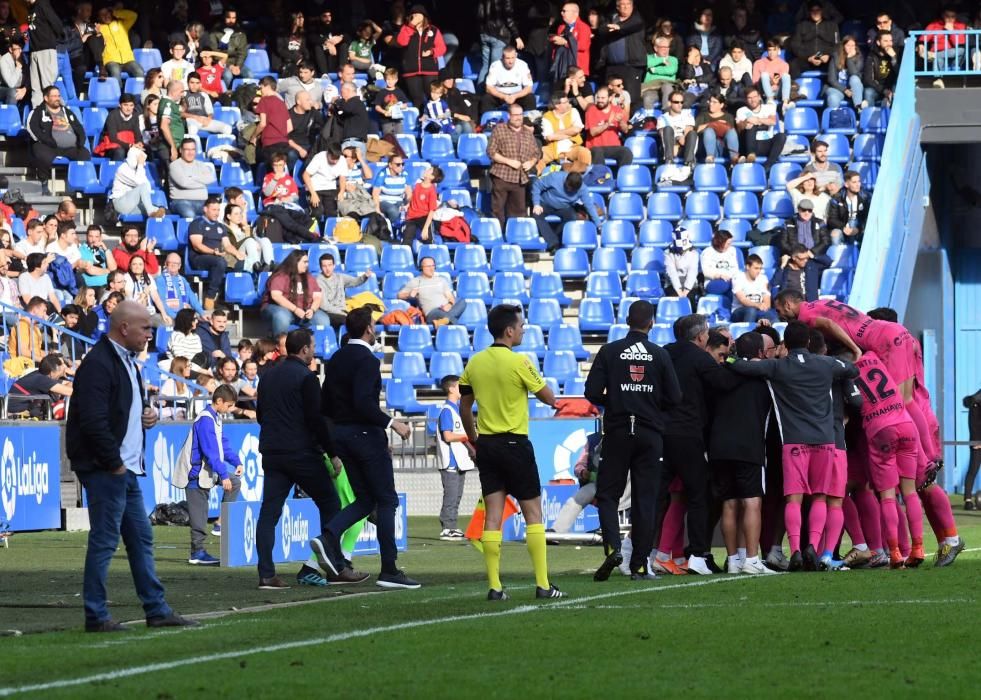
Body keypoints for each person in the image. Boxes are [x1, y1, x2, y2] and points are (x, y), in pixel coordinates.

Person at [66, 300, 198, 631]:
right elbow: (93, 421)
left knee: (140, 538)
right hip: (108, 469)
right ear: (124, 328)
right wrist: (113, 463)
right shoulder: (99, 364)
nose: (150, 335)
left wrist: (147, 417)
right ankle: (96, 615)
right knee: (105, 540)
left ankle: (156, 609)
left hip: (123, 470)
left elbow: (119, 412)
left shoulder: (126, 363)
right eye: (145, 328)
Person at [729, 320, 857, 571]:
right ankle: (813, 545)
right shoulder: (826, 364)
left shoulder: (777, 366)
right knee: (820, 497)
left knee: (793, 500)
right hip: (824, 440)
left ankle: (796, 549)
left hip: (794, 442)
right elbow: (852, 370)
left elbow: (740, 367)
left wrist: (736, 360)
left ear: (785, 344)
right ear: (809, 342)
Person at [455, 304, 562, 599]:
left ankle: (494, 586)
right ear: (509, 330)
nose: (524, 330)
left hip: (487, 445)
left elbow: (464, 406)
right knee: (533, 514)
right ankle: (542, 584)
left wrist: (474, 438)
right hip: (515, 443)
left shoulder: (475, 362)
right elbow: (550, 398)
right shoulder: (520, 362)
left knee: (493, 516)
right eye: (521, 326)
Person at [315, 308, 417, 589]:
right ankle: (389, 569)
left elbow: (324, 407)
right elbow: (363, 402)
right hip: (364, 435)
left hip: (341, 436)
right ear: (369, 330)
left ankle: (329, 536)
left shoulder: (335, 360)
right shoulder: (368, 361)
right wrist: (392, 423)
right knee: (386, 500)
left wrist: (332, 442)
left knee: (363, 500)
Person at [255, 328, 364, 589]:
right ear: (304, 349)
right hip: (301, 453)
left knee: (269, 514)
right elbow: (316, 420)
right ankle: (336, 567)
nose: (314, 350)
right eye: (312, 346)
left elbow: (261, 414)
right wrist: (332, 453)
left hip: (272, 452)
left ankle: (266, 575)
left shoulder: (267, 376)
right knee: (330, 504)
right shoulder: (306, 377)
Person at [585, 299, 681, 580]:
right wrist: (650, 405)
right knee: (646, 499)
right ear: (651, 323)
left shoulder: (610, 351)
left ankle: (614, 547)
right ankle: (639, 564)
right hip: (650, 434)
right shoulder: (659, 354)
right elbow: (675, 398)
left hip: (617, 432)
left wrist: (614, 400)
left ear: (627, 320)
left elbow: (591, 391)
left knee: (608, 494)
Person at [660, 314, 742, 574]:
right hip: (688, 434)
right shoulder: (699, 358)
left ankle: (643, 554)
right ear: (700, 337)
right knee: (698, 494)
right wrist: (733, 359)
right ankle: (696, 554)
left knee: (657, 497)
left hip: (660, 433)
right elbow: (725, 383)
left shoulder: (662, 353)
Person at [709, 331, 777, 575]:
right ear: (760, 353)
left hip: (718, 446)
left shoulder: (718, 374)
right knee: (751, 502)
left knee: (729, 503)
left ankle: (733, 561)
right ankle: (751, 559)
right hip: (748, 446)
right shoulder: (764, 377)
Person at [186, 384, 242, 566]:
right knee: (199, 514)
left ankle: (220, 522)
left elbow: (222, 446)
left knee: (234, 482)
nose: (230, 409)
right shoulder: (206, 420)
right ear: (219, 401)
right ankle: (197, 552)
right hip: (196, 472)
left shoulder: (216, 418)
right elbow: (211, 452)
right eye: (229, 405)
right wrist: (224, 475)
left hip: (207, 470)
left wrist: (236, 461)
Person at [486, 104, 541, 228]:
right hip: (501, 176)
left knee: (518, 213)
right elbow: (491, 152)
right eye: (515, 115)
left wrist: (531, 162)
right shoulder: (499, 129)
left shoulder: (528, 133)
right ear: (509, 116)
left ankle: (515, 239)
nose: (518, 118)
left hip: (520, 179)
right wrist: (508, 161)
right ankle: (498, 238)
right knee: (497, 211)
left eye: (520, 114)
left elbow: (537, 153)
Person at [435, 374, 475, 540]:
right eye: (459, 386)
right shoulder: (447, 410)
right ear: (451, 388)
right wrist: (467, 437)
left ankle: (452, 526)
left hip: (459, 461)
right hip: (450, 461)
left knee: (456, 495)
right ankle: (447, 528)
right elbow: (449, 436)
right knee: (451, 496)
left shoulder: (455, 410)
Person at [530, 170, 603, 253]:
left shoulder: (583, 189)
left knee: (573, 218)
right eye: (567, 187)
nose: (569, 190)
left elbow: (590, 206)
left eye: (572, 190)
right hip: (545, 203)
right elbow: (537, 185)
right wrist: (536, 204)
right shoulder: (555, 177)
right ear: (565, 180)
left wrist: (599, 225)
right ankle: (553, 244)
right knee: (537, 215)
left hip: (564, 207)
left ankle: (555, 238)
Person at [260, 249, 330, 335]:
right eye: (304, 262)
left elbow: (317, 297)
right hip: (279, 308)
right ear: (295, 262)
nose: (307, 265)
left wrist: (312, 310)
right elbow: (276, 296)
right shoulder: (281, 276)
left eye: (307, 262)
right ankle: (281, 345)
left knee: (323, 320)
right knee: (282, 316)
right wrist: (295, 309)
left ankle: (313, 345)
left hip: (303, 310)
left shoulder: (309, 277)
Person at [26, 86, 91, 172]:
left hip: (70, 147)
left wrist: (80, 142)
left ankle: (77, 181)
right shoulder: (37, 112)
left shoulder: (67, 112)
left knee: (84, 154)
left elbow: (79, 127)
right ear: (46, 98)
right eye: (54, 96)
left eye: (58, 96)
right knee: (40, 153)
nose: (57, 98)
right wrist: (48, 141)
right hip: (48, 146)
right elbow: (32, 127)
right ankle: (43, 180)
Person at [187, 196, 234, 310]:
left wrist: (238, 254)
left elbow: (227, 245)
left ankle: (226, 298)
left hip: (215, 257)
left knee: (239, 263)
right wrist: (213, 252)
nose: (217, 213)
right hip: (199, 258)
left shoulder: (220, 226)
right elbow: (197, 246)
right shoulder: (197, 224)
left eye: (218, 210)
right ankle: (210, 298)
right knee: (220, 262)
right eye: (214, 210)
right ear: (205, 209)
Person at [395, 5, 446, 109]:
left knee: (432, 98)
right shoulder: (406, 29)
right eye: (413, 15)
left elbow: (442, 48)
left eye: (418, 14)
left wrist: (432, 52)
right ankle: (419, 122)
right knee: (417, 99)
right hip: (411, 70)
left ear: (424, 16)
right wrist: (410, 26)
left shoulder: (434, 30)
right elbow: (401, 42)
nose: (415, 17)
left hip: (430, 69)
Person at [597, 0, 646, 108]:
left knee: (631, 97)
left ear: (633, 6)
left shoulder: (637, 19)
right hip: (612, 66)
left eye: (628, 4)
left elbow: (632, 25)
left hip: (632, 66)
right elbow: (601, 29)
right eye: (622, 5)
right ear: (617, 7)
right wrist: (609, 28)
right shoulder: (611, 18)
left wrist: (619, 27)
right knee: (610, 96)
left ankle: (629, 122)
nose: (625, 7)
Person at [398, 257, 467, 326]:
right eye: (428, 266)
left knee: (462, 302)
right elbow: (399, 295)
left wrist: (449, 304)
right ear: (421, 268)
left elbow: (450, 297)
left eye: (433, 266)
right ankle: (456, 328)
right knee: (446, 315)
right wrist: (409, 294)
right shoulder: (415, 282)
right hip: (432, 312)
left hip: (446, 308)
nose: (431, 269)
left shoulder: (441, 280)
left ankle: (442, 322)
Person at [537, 92, 591, 175]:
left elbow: (577, 129)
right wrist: (569, 133)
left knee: (584, 152)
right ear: (557, 105)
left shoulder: (573, 111)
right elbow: (549, 137)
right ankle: (539, 178)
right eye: (565, 102)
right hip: (553, 148)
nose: (568, 104)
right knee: (538, 155)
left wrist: (557, 133)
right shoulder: (547, 117)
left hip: (571, 147)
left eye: (568, 101)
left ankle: (582, 178)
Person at [316, 252, 373, 329]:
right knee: (351, 321)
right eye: (324, 266)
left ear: (334, 265)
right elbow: (324, 306)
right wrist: (343, 313)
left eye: (329, 265)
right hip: (329, 313)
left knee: (364, 317)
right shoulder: (318, 281)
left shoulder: (340, 277)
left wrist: (365, 276)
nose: (327, 269)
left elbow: (354, 281)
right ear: (320, 267)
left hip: (343, 311)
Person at [7, 352, 72, 418]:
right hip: (14, 417)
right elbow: (70, 392)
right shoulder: (40, 379)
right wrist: (75, 373)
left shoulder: (40, 374)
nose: (65, 368)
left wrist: (61, 391)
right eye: (62, 368)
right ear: (52, 373)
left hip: (25, 413)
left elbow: (69, 384)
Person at [111, 147, 168, 219]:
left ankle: (152, 215)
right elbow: (141, 183)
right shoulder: (122, 169)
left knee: (160, 212)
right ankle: (150, 212)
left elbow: (148, 187)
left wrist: (140, 167)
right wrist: (140, 165)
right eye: (140, 159)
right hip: (120, 203)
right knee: (143, 188)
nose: (143, 162)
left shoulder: (139, 170)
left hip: (132, 205)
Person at [735, 86, 787, 164]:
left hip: (766, 142)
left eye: (754, 97)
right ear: (746, 100)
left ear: (759, 97)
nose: (752, 100)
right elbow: (740, 127)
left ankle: (769, 165)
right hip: (750, 144)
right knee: (751, 126)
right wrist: (746, 121)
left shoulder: (768, 108)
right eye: (749, 98)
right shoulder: (741, 110)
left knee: (781, 136)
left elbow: (773, 121)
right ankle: (751, 155)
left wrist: (757, 120)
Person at [787, 1, 839, 78]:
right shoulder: (801, 25)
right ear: (809, 12)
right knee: (793, 64)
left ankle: (834, 87)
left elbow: (837, 44)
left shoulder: (832, 25)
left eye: (818, 10)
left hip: (826, 60)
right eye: (813, 10)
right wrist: (808, 58)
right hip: (807, 59)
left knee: (836, 61)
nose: (815, 13)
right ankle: (794, 87)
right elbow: (795, 45)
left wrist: (828, 55)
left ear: (822, 11)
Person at [480, 44, 536, 115]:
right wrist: (504, 97)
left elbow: (529, 88)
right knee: (486, 99)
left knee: (530, 98)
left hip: (517, 95)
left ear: (516, 55)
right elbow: (488, 88)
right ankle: (487, 124)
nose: (511, 61)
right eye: (508, 58)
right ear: (502, 57)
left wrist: (515, 96)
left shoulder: (523, 65)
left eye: (513, 58)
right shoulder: (495, 65)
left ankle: (530, 123)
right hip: (500, 96)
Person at [584, 86, 632, 168]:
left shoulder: (617, 110)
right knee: (597, 151)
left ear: (610, 98)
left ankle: (621, 177)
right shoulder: (591, 110)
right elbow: (592, 132)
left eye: (603, 98)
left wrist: (620, 121)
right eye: (598, 97)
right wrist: (607, 124)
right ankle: (601, 177)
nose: (599, 100)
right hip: (596, 147)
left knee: (626, 151)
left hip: (613, 147)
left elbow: (625, 130)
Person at [26, 0, 62, 108]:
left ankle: (57, 115)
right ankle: (37, 117)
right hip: (34, 51)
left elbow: (58, 25)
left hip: (46, 50)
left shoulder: (42, 3)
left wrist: (49, 40)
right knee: (35, 88)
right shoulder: (30, 8)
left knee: (48, 87)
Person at [169, 140, 218, 219]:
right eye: (187, 149)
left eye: (193, 149)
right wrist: (202, 181)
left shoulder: (201, 164)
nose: (190, 152)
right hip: (181, 202)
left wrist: (191, 177)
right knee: (190, 214)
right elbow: (184, 183)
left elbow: (210, 179)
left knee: (217, 212)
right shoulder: (175, 165)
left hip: (203, 202)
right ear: (181, 150)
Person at [95, 5, 142, 85]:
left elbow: (134, 15)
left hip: (128, 60)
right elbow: (96, 44)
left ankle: (137, 95)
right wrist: (97, 33)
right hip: (111, 60)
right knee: (115, 73)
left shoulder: (121, 24)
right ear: (99, 18)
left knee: (139, 72)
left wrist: (116, 12)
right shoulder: (99, 28)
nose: (106, 16)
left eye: (107, 13)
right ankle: (119, 96)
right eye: (102, 15)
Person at [252, 76, 293, 167]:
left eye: (261, 88)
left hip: (270, 144)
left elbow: (262, 124)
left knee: (271, 174)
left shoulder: (264, 100)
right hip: (284, 144)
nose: (260, 91)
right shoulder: (282, 103)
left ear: (267, 86)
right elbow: (290, 127)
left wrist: (253, 136)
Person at [779, 198, 832, 263]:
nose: (807, 213)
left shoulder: (820, 223)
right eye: (804, 210)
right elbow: (783, 243)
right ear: (798, 210)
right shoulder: (788, 223)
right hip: (795, 257)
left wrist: (812, 252)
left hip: (814, 256)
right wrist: (796, 253)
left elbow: (826, 241)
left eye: (809, 210)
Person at [156, 253, 206, 320]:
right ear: (165, 264)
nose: (173, 265)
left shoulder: (183, 279)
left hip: (184, 315)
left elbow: (191, 297)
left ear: (179, 266)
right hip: (169, 316)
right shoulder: (160, 279)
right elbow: (162, 302)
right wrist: (175, 317)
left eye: (176, 263)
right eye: (170, 263)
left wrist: (202, 313)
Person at [401, 165, 443, 245]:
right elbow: (413, 199)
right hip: (411, 217)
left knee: (428, 239)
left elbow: (431, 211)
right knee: (406, 240)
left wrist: (426, 228)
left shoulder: (432, 191)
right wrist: (407, 205)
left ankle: (429, 255)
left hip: (424, 217)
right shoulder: (417, 185)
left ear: (432, 177)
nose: (426, 170)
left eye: (429, 170)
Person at [209, 8, 250, 89]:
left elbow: (242, 52)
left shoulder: (240, 33)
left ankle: (244, 94)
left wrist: (238, 66)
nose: (231, 20)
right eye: (228, 17)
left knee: (249, 74)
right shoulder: (215, 32)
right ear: (224, 17)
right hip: (221, 63)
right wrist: (229, 66)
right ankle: (226, 94)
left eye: (233, 18)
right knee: (228, 75)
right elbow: (214, 52)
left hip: (237, 63)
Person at [826, 170, 869, 245]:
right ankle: (839, 256)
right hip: (843, 227)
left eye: (859, 181)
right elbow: (832, 219)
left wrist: (859, 229)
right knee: (835, 235)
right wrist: (843, 227)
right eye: (854, 182)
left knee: (854, 223)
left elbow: (868, 218)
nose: (858, 184)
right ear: (846, 184)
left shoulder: (866, 197)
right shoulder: (837, 198)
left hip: (861, 228)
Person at [732, 254, 777, 324]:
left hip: (758, 310)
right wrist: (758, 305)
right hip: (739, 310)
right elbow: (742, 299)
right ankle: (748, 333)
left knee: (772, 314)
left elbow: (767, 301)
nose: (758, 271)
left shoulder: (763, 278)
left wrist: (764, 307)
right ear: (747, 267)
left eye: (760, 268)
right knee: (751, 310)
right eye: (756, 268)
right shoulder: (738, 277)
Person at [549, 2, 592, 77]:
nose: (562, 13)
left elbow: (583, 46)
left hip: (578, 68)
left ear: (575, 13)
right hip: (562, 67)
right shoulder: (561, 27)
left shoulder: (584, 27)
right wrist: (554, 39)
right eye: (562, 11)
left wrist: (565, 42)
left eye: (564, 11)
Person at [183, 72, 232, 137]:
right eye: (192, 83)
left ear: (200, 84)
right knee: (192, 129)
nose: (194, 85)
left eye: (197, 83)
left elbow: (210, 112)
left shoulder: (204, 95)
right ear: (187, 83)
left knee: (227, 128)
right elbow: (181, 113)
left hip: (204, 120)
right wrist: (196, 117)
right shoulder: (183, 94)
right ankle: (193, 147)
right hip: (191, 120)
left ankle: (220, 146)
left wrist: (208, 119)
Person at [95, 93, 141, 160]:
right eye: (125, 105)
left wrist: (139, 143)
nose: (128, 108)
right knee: (120, 151)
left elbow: (137, 134)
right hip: (111, 146)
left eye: (131, 105)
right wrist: (130, 145)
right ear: (119, 105)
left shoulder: (135, 115)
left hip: (129, 144)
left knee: (146, 149)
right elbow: (113, 139)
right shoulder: (112, 116)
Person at [695, 93, 739, 164]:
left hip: (723, 146)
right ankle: (710, 157)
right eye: (710, 101)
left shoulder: (728, 117)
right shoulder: (703, 115)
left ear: (721, 105)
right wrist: (711, 124)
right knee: (709, 130)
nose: (711, 104)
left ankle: (734, 158)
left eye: (714, 102)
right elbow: (696, 130)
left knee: (731, 131)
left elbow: (732, 134)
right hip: (705, 147)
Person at [657, 90, 696, 167]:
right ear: (669, 103)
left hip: (684, 147)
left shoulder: (688, 116)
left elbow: (688, 131)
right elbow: (663, 135)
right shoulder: (662, 118)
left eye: (681, 102)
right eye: (676, 102)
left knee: (692, 134)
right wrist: (677, 139)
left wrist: (679, 141)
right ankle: (669, 161)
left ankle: (689, 163)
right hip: (669, 148)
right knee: (667, 129)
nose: (680, 105)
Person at [825, 36, 865, 110]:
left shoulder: (859, 58)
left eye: (853, 45)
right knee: (833, 97)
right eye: (848, 45)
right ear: (843, 46)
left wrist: (849, 59)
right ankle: (834, 118)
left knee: (855, 79)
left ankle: (858, 108)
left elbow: (855, 74)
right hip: (838, 88)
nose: (851, 48)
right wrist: (844, 90)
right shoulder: (835, 57)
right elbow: (831, 79)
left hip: (854, 89)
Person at [864, 30, 901, 107]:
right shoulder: (872, 56)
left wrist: (894, 58)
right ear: (878, 42)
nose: (889, 44)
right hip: (878, 88)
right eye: (885, 41)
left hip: (893, 86)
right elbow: (868, 79)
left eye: (890, 41)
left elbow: (901, 74)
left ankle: (889, 110)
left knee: (896, 90)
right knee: (868, 92)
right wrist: (883, 90)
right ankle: (870, 116)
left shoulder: (897, 53)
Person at [642, 35, 679, 111]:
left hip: (667, 87)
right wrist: (662, 60)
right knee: (647, 98)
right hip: (652, 88)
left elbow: (671, 70)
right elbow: (647, 64)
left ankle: (666, 112)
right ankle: (649, 120)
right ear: (656, 48)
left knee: (667, 87)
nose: (666, 50)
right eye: (663, 47)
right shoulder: (649, 58)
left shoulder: (673, 59)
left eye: (667, 47)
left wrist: (655, 70)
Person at [372, 156, 412, 225]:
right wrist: (377, 210)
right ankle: (391, 228)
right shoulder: (382, 174)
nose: (401, 166)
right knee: (393, 211)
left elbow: (409, 193)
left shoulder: (405, 174)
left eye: (403, 164)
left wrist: (408, 205)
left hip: (399, 201)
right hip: (384, 201)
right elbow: (375, 193)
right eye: (398, 164)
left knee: (408, 211)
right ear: (390, 165)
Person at [752, 39, 792, 107]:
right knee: (764, 75)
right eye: (769, 50)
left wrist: (771, 81)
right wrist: (770, 80)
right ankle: (770, 100)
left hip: (778, 91)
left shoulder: (783, 64)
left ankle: (785, 104)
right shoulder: (758, 63)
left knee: (786, 76)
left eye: (774, 50)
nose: (771, 52)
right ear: (767, 51)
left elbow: (776, 81)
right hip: (763, 91)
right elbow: (755, 81)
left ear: (778, 50)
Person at [665, 224, 699, 300]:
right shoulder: (668, 253)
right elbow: (671, 272)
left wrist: (686, 291)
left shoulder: (694, 253)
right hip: (672, 283)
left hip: (690, 284)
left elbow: (692, 272)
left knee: (690, 298)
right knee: (674, 297)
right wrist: (679, 291)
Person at [157, 80, 186, 165]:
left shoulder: (171, 104)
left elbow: (182, 109)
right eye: (181, 91)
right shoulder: (167, 105)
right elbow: (164, 125)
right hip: (168, 147)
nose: (182, 94)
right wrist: (173, 147)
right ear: (173, 92)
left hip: (176, 145)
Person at [374, 67, 409, 135]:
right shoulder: (381, 92)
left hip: (398, 121)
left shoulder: (399, 92)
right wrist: (384, 112)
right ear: (385, 80)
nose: (390, 81)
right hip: (386, 122)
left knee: (399, 139)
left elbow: (405, 104)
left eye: (392, 79)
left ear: (396, 80)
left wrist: (400, 106)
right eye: (388, 79)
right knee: (388, 140)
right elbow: (377, 106)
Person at [963, 388, 981, 511]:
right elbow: (973, 424)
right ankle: (968, 500)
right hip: (977, 442)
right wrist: (976, 441)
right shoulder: (975, 403)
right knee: (973, 469)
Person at [0, 40, 28, 106]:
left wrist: (24, 89)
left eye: (22, 48)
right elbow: (11, 84)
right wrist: (18, 67)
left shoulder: (24, 58)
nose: (21, 51)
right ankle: (10, 115)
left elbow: (30, 78)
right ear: (10, 49)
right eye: (18, 49)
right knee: (13, 92)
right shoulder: (4, 60)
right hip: (4, 88)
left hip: (21, 88)